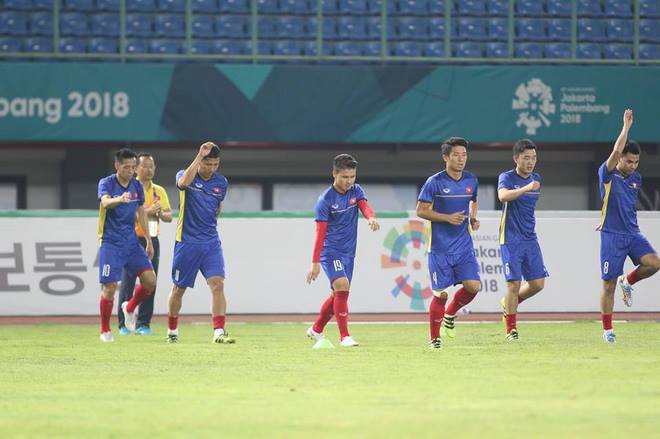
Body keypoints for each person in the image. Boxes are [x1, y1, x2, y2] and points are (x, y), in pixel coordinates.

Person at [598, 109, 660, 343]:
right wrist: (626, 127)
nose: (633, 166)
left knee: (654, 263)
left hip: (632, 233)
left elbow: (623, 204)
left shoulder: (636, 179)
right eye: (628, 161)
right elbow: (615, 151)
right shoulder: (606, 173)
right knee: (608, 284)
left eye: (636, 162)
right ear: (620, 159)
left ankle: (629, 280)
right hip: (612, 235)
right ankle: (607, 330)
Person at [306, 154, 379, 347]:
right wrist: (315, 262)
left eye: (352, 176)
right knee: (342, 286)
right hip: (330, 251)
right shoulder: (325, 200)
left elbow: (365, 206)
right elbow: (320, 233)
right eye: (345, 177)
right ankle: (344, 336)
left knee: (337, 295)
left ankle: (316, 329)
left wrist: (371, 217)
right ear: (334, 174)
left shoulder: (356, 190)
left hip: (348, 253)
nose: (349, 181)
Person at [166, 142, 234, 344]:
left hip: (211, 242)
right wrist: (198, 156)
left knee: (218, 284)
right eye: (208, 164)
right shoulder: (185, 174)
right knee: (179, 289)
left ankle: (219, 331)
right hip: (187, 242)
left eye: (215, 164)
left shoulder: (221, 182)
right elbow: (182, 184)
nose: (211, 168)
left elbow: (217, 206)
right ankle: (172, 330)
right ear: (200, 162)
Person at [416, 137, 481, 349]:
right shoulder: (434, 182)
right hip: (439, 248)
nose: (461, 159)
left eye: (464, 155)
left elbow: (473, 200)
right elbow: (420, 210)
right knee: (441, 293)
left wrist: (473, 218)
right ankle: (435, 339)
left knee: (473, 287)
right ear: (446, 157)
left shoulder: (471, 180)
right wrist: (446, 218)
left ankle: (450, 314)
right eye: (456, 155)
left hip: (463, 247)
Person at [97, 148, 156, 342]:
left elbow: (141, 212)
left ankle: (129, 308)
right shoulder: (106, 183)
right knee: (109, 287)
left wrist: (148, 240)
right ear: (117, 165)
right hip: (110, 242)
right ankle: (105, 331)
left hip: (131, 243)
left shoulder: (136, 186)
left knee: (150, 281)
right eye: (126, 167)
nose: (131, 171)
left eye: (133, 167)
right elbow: (105, 203)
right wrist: (120, 199)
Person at [497, 139, 548, 341]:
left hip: (530, 238)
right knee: (514, 284)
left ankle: (509, 303)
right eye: (526, 158)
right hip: (510, 238)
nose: (531, 162)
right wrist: (526, 188)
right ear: (516, 158)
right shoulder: (507, 177)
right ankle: (511, 329)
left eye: (534, 158)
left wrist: (529, 186)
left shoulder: (536, 178)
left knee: (538, 284)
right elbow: (503, 197)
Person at [117, 152, 172, 336]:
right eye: (144, 166)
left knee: (150, 283)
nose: (149, 170)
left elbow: (169, 216)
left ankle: (143, 324)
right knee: (128, 282)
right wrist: (149, 211)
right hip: (131, 240)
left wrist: (160, 213)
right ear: (136, 169)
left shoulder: (159, 191)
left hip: (152, 240)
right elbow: (129, 215)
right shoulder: (129, 189)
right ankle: (123, 325)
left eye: (151, 166)